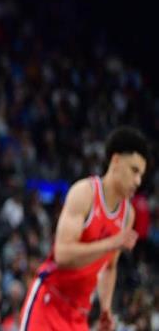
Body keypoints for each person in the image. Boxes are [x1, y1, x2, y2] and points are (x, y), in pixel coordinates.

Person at [19, 127, 149, 331]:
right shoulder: (84, 193)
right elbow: (63, 254)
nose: (138, 181)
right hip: (49, 302)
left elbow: (110, 267)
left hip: (79, 314)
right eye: (134, 170)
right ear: (115, 160)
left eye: (141, 174)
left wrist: (105, 308)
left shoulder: (127, 215)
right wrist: (111, 243)